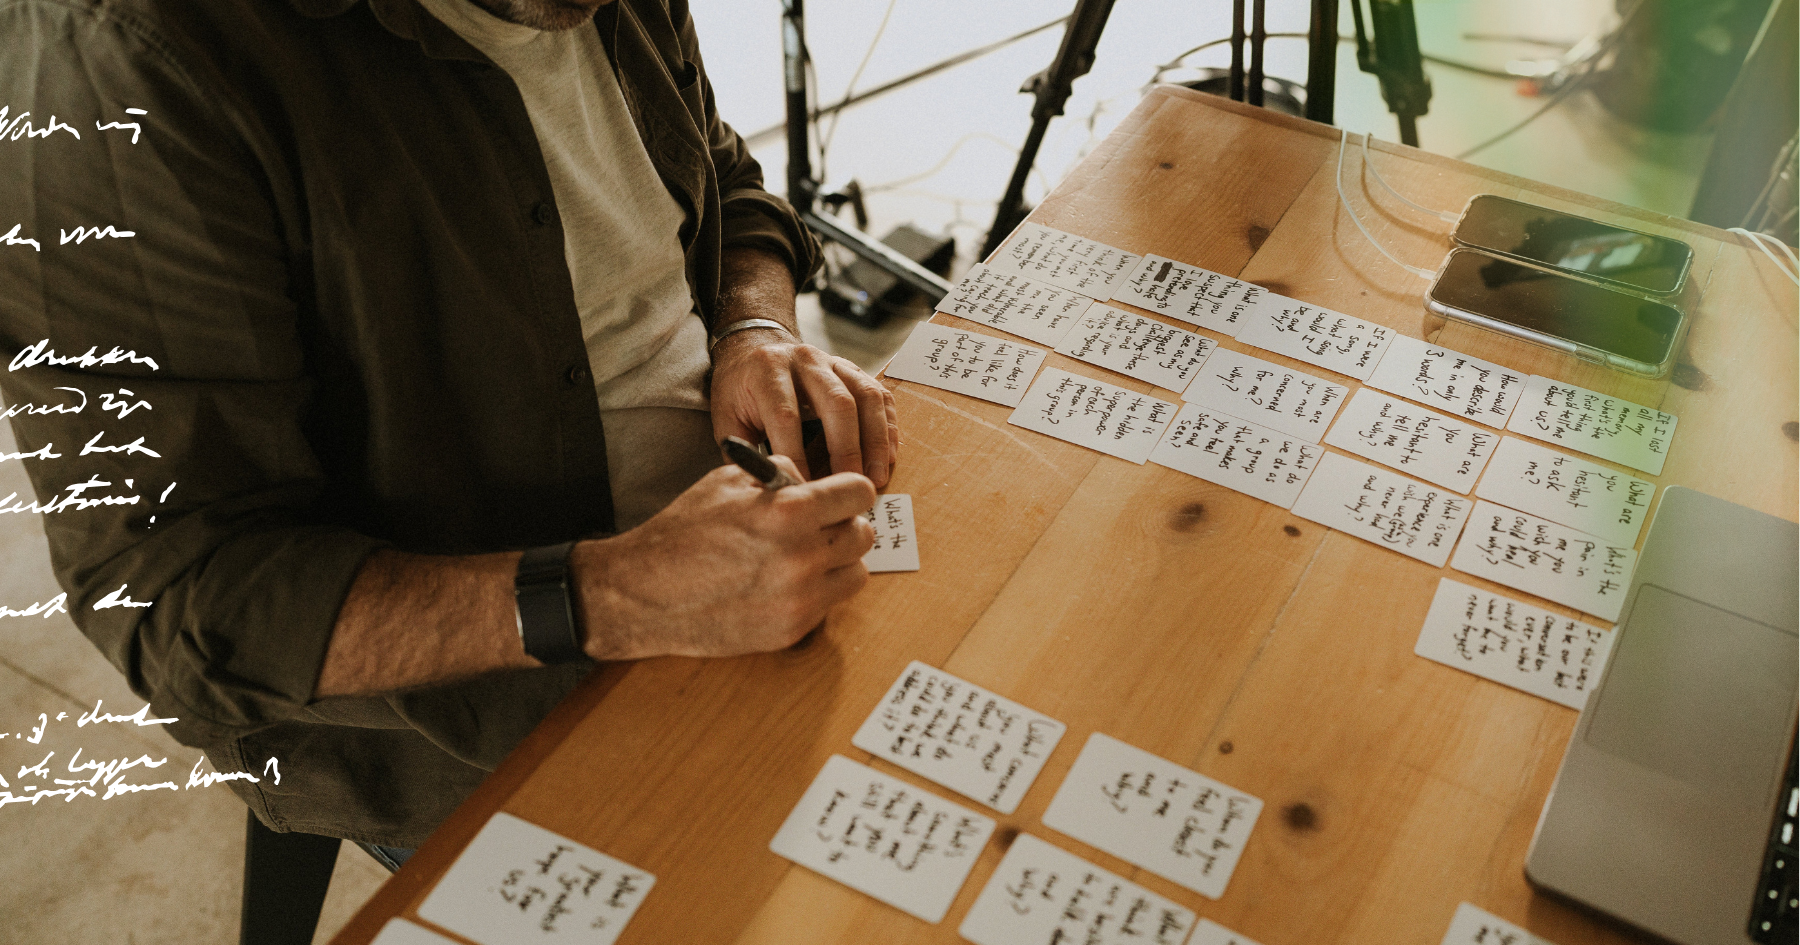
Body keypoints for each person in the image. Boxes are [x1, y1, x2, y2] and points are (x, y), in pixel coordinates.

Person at [0, 0, 897, 851]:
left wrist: (753, 324)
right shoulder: (121, 56)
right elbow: (177, 599)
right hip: (475, 711)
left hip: (742, 554)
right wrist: (623, 591)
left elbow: (726, 176)